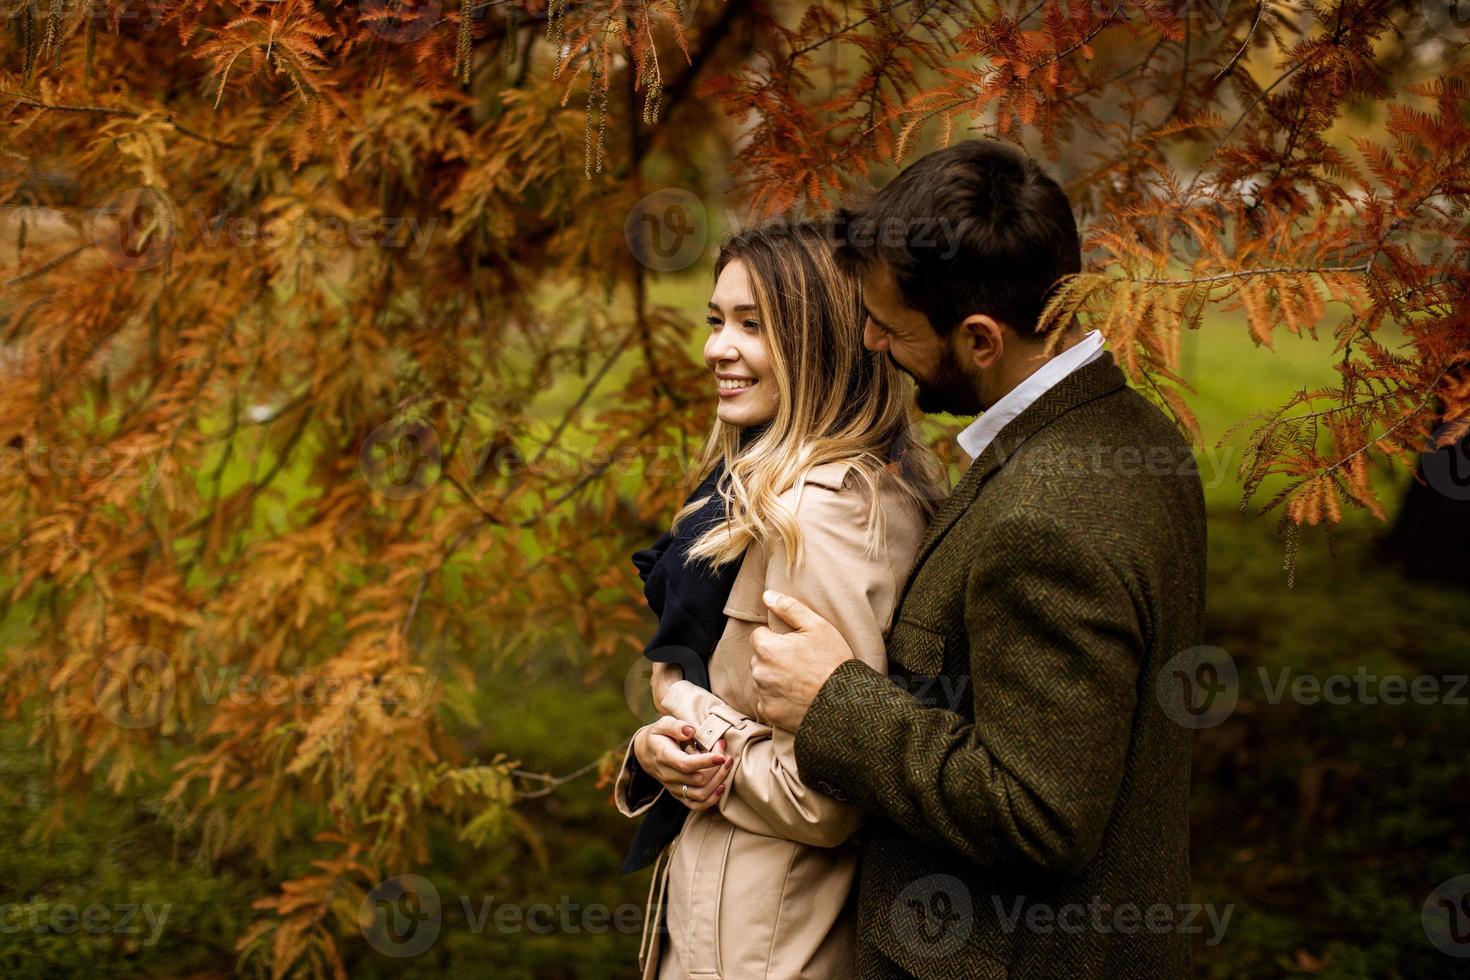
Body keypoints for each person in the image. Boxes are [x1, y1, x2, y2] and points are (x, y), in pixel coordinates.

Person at [748, 140, 1208, 978]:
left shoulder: (1046, 522)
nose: (870, 343)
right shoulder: (1133, 433)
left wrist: (834, 702)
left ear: (982, 339)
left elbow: (1039, 813)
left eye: (889, 328)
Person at [614, 220, 944, 979]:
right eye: (716, 321)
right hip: (721, 921)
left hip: (767, 948)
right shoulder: (760, 494)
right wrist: (652, 751)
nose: (716, 349)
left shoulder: (826, 516)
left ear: (818, 340)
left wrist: (680, 702)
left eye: (751, 326)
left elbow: (825, 796)